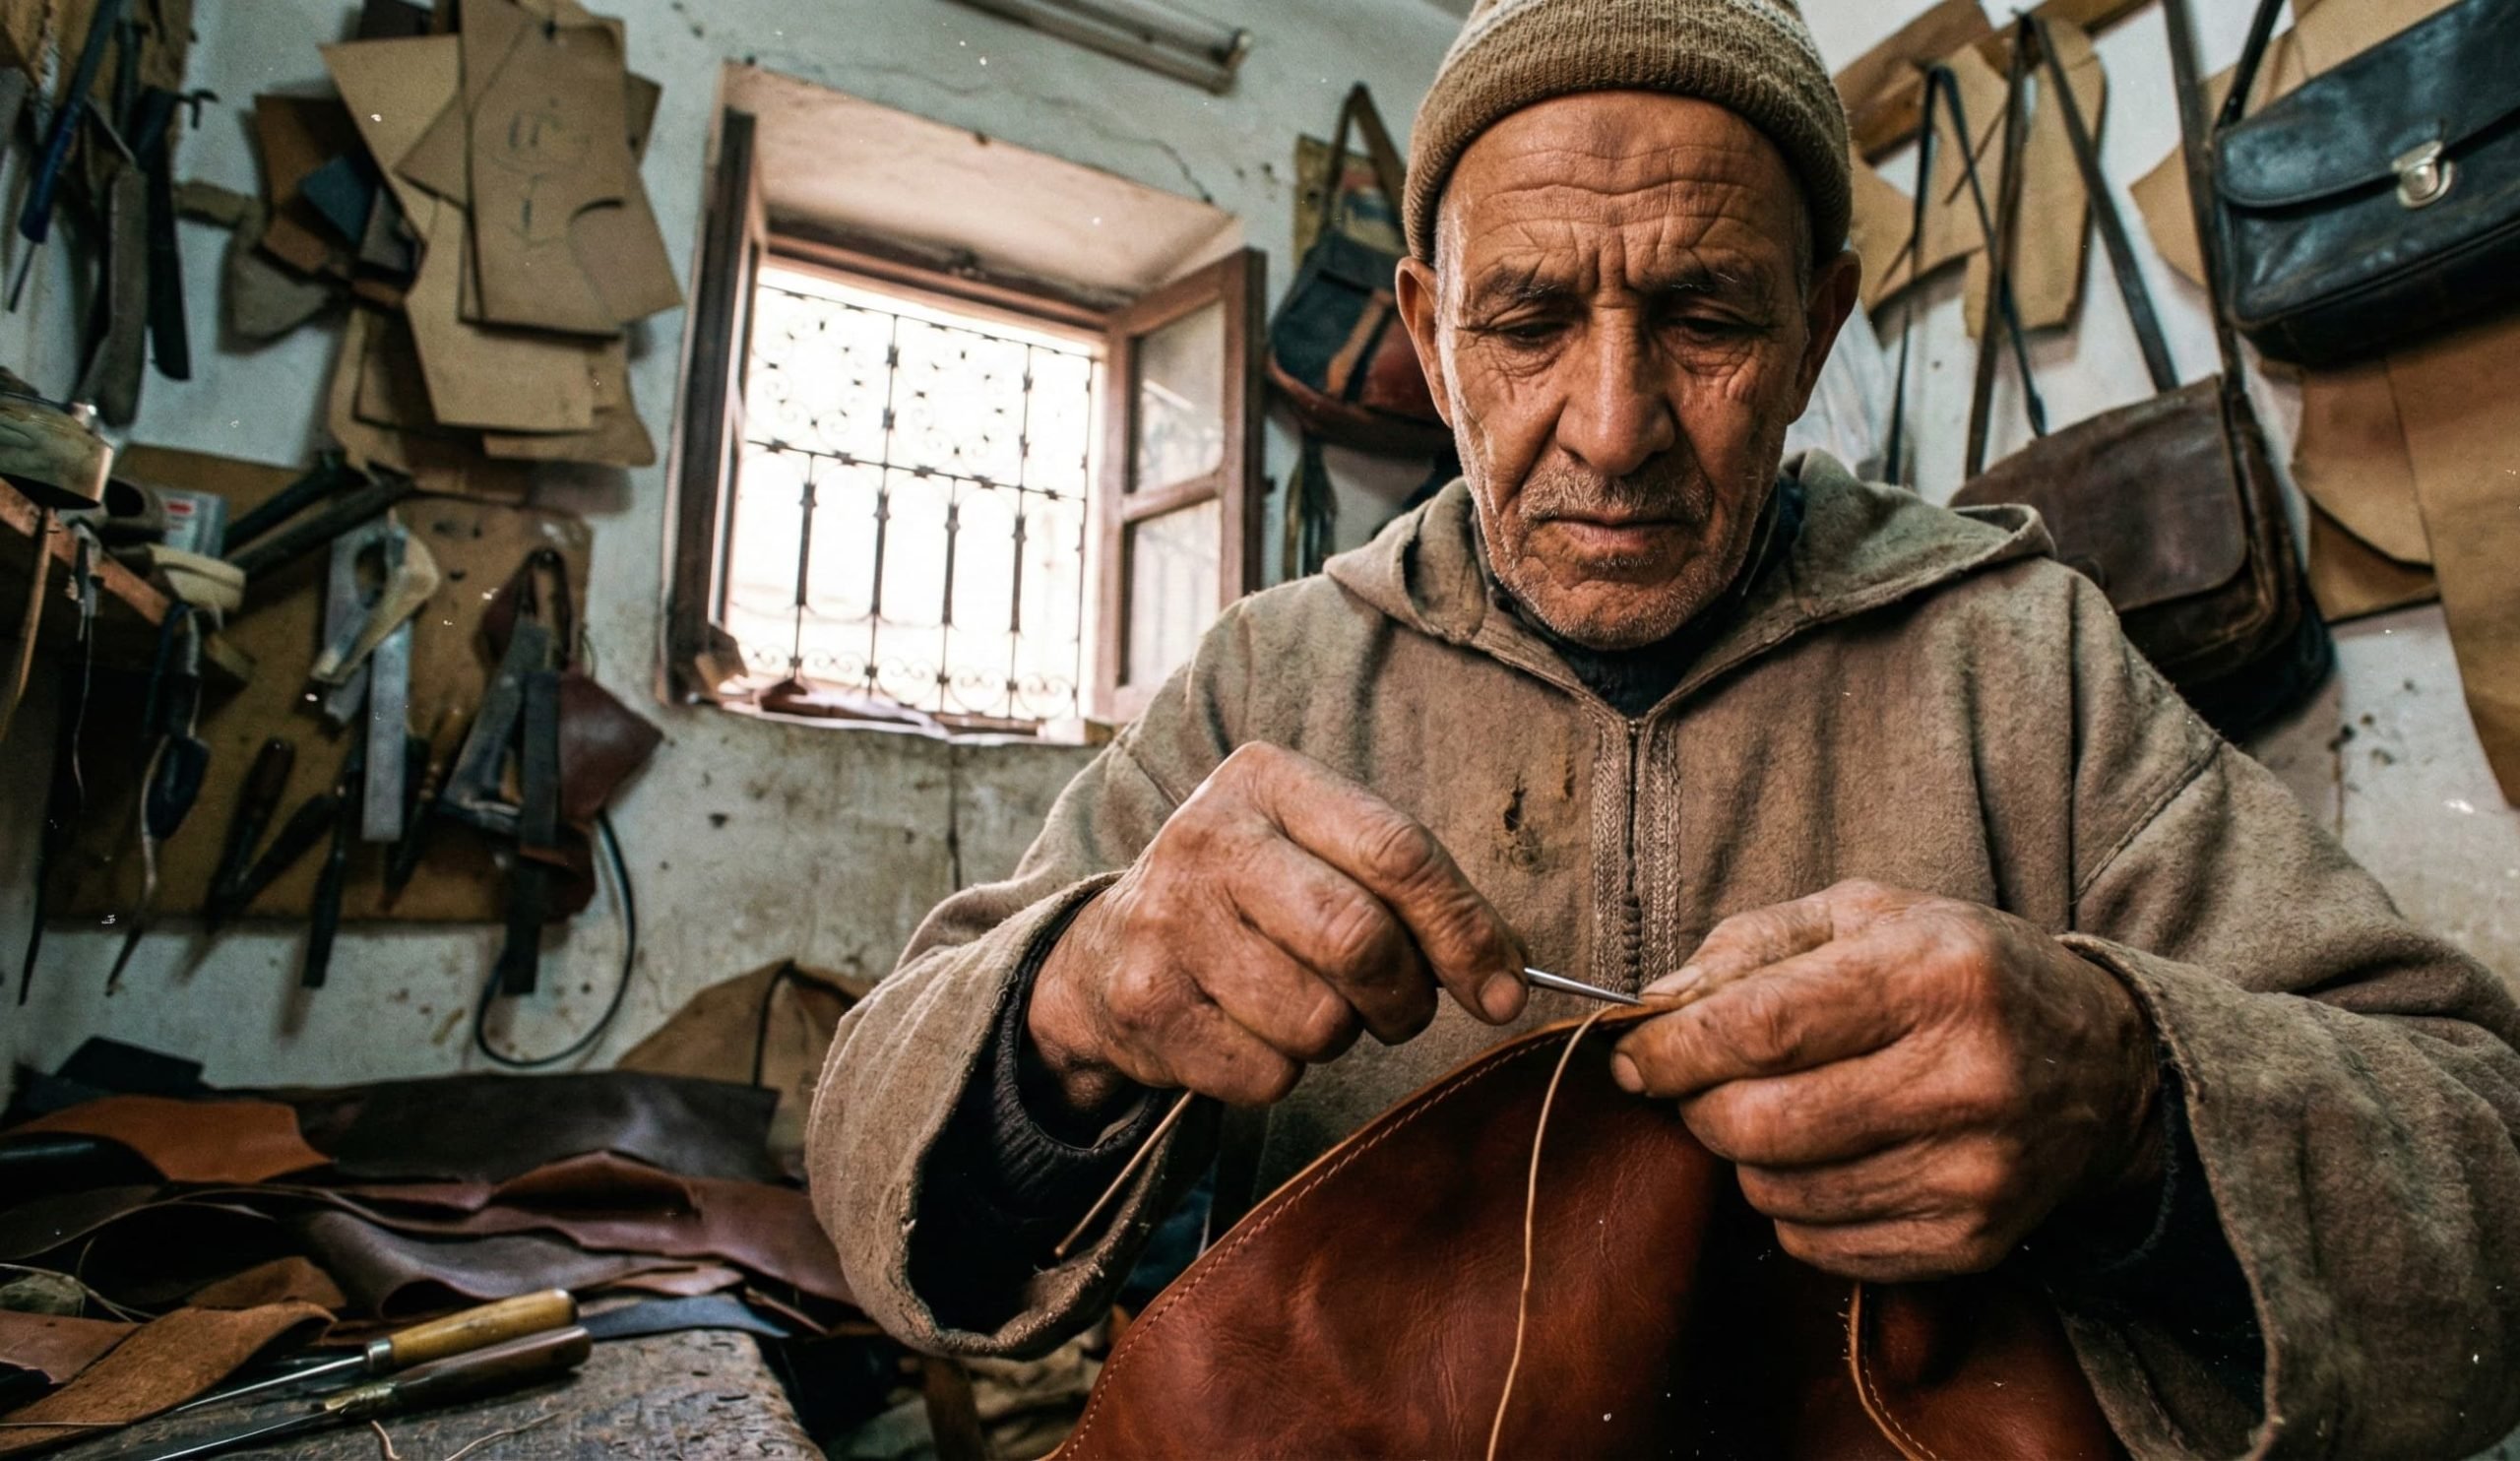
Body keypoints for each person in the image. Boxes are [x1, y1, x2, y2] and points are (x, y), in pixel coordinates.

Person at [807, 1, 2520, 1454]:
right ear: (1430, 334)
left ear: (1814, 333)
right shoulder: (1276, 680)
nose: (1613, 431)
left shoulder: (2021, 662)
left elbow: (2485, 1175)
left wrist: (2132, 1102)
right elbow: (866, 1155)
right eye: (1530, 321)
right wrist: (1070, 1011)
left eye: (1704, 319)